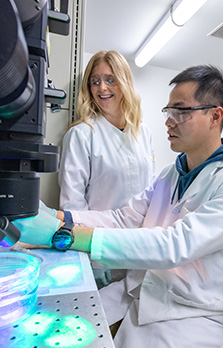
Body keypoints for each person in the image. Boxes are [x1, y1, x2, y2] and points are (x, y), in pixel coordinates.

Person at [14, 65, 223, 348]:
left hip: (197, 316)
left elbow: (176, 244)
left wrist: (67, 235)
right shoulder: (172, 174)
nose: (169, 122)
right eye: (168, 111)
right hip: (144, 292)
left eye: (181, 112)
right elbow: (125, 218)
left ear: (215, 115)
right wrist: (59, 216)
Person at [58, 50, 155, 286]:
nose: (102, 88)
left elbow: (151, 193)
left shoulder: (143, 133)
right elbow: (72, 204)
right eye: (95, 81)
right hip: (101, 250)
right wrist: (88, 256)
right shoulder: (82, 134)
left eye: (110, 79)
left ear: (124, 83)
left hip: (140, 248)